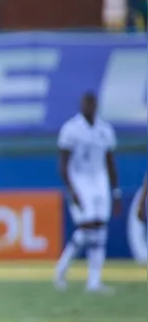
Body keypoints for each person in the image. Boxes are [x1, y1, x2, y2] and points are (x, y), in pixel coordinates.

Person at [54, 92, 120, 294]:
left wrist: (115, 191)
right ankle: (61, 269)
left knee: (100, 226)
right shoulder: (71, 129)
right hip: (80, 180)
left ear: (96, 105)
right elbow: (64, 163)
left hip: (99, 180)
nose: (88, 107)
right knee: (87, 224)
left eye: (91, 104)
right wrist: (71, 188)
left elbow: (110, 162)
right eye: (85, 104)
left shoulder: (105, 130)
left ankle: (94, 281)